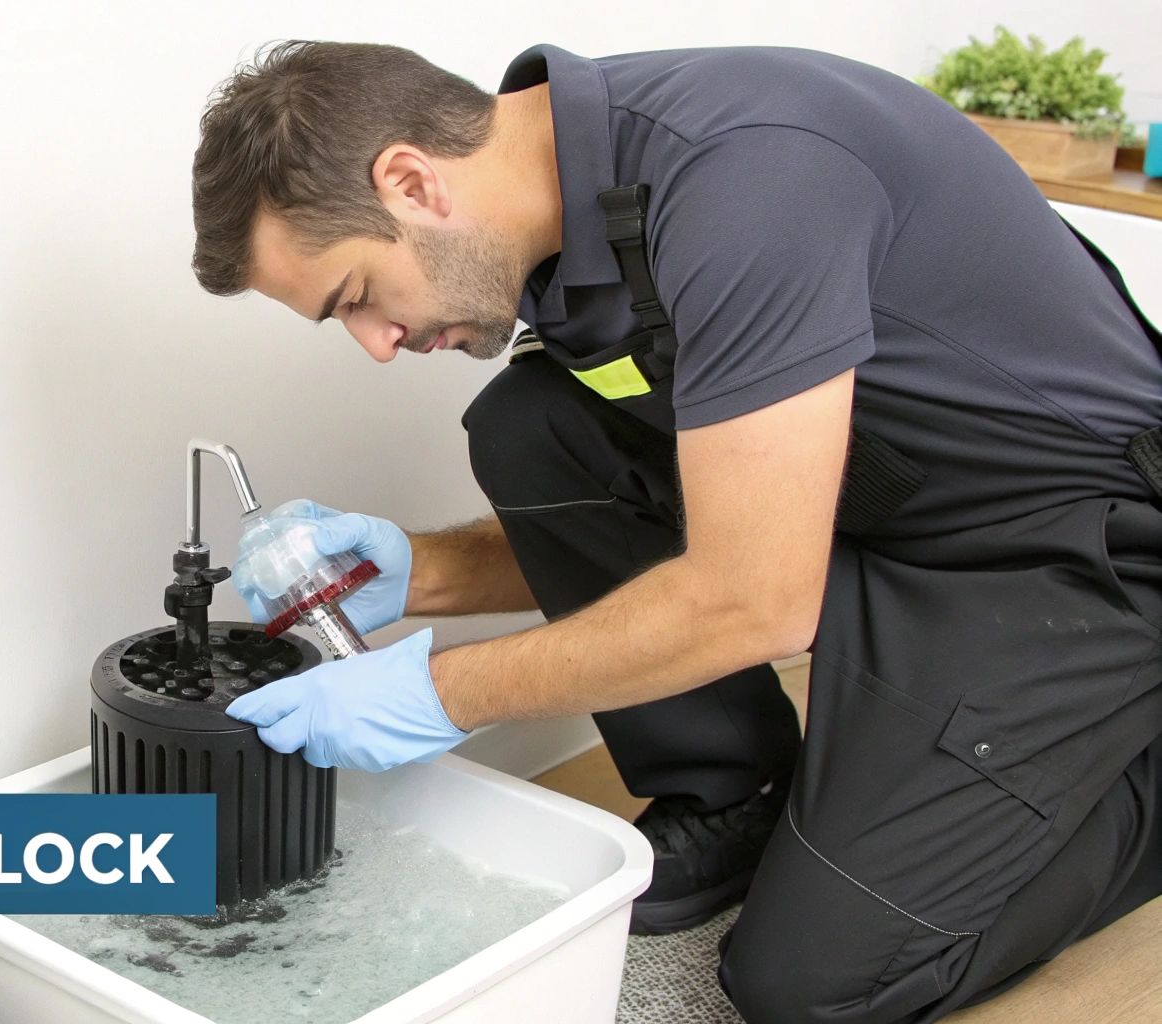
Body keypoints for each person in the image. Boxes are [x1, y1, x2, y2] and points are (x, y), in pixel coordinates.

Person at [189, 40, 1162, 1022]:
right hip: (877, 508)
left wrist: (440, 693)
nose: (377, 344)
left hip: (1064, 553)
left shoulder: (747, 183)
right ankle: (732, 794)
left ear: (410, 181)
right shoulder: (565, 217)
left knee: (814, 983)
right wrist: (417, 574)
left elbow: (752, 598)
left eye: (356, 296)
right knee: (531, 425)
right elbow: (701, 501)